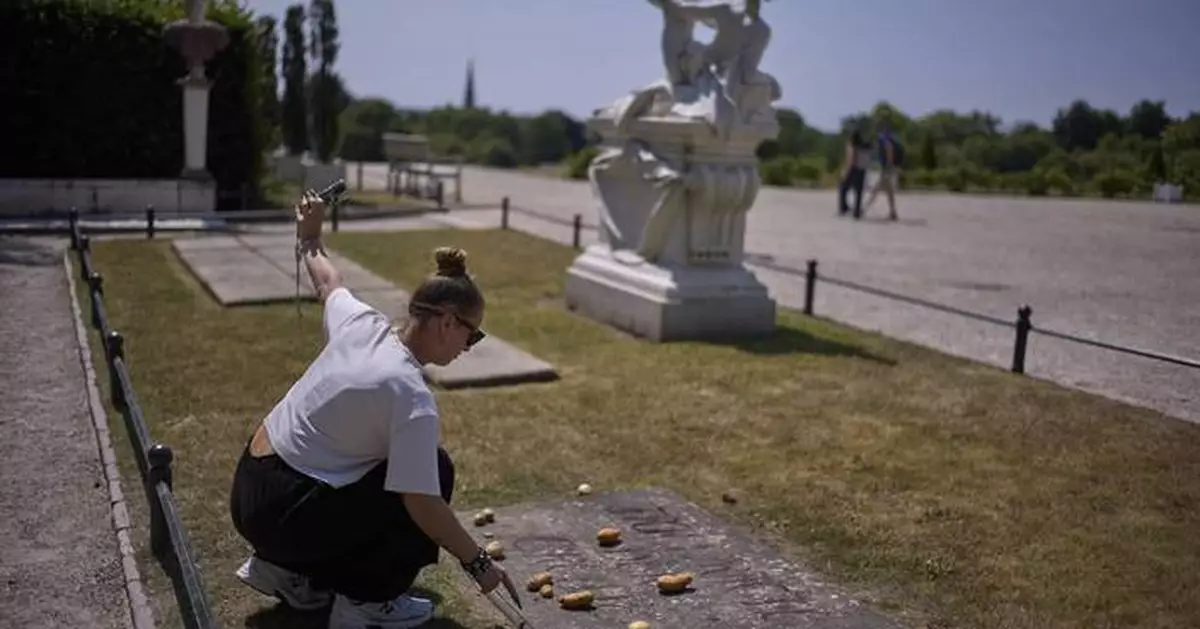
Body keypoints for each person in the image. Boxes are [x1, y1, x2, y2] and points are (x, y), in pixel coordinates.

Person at [228, 190, 515, 628]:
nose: (468, 348)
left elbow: (328, 282)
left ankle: (284, 568)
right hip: (283, 515)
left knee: (379, 466)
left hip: (247, 491)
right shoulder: (410, 395)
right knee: (433, 471)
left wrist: (310, 237)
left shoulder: (361, 322)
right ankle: (365, 601)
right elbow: (423, 503)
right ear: (447, 322)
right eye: (472, 336)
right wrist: (479, 564)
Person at [864, 120, 903, 220]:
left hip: (886, 167)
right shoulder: (890, 137)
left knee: (876, 189)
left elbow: (889, 148)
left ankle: (864, 209)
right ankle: (893, 212)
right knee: (889, 191)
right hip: (889, 167)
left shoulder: (883, 138)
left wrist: (888, 163)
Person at [837, 129, 873, 218]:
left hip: (853, 169)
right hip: (862, 170)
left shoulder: (852, 146)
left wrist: (845, 171)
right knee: (858, 192)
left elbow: (851, 159)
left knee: (843, 188)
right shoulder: (865, 146)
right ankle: (856, 212)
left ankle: (843, 207)